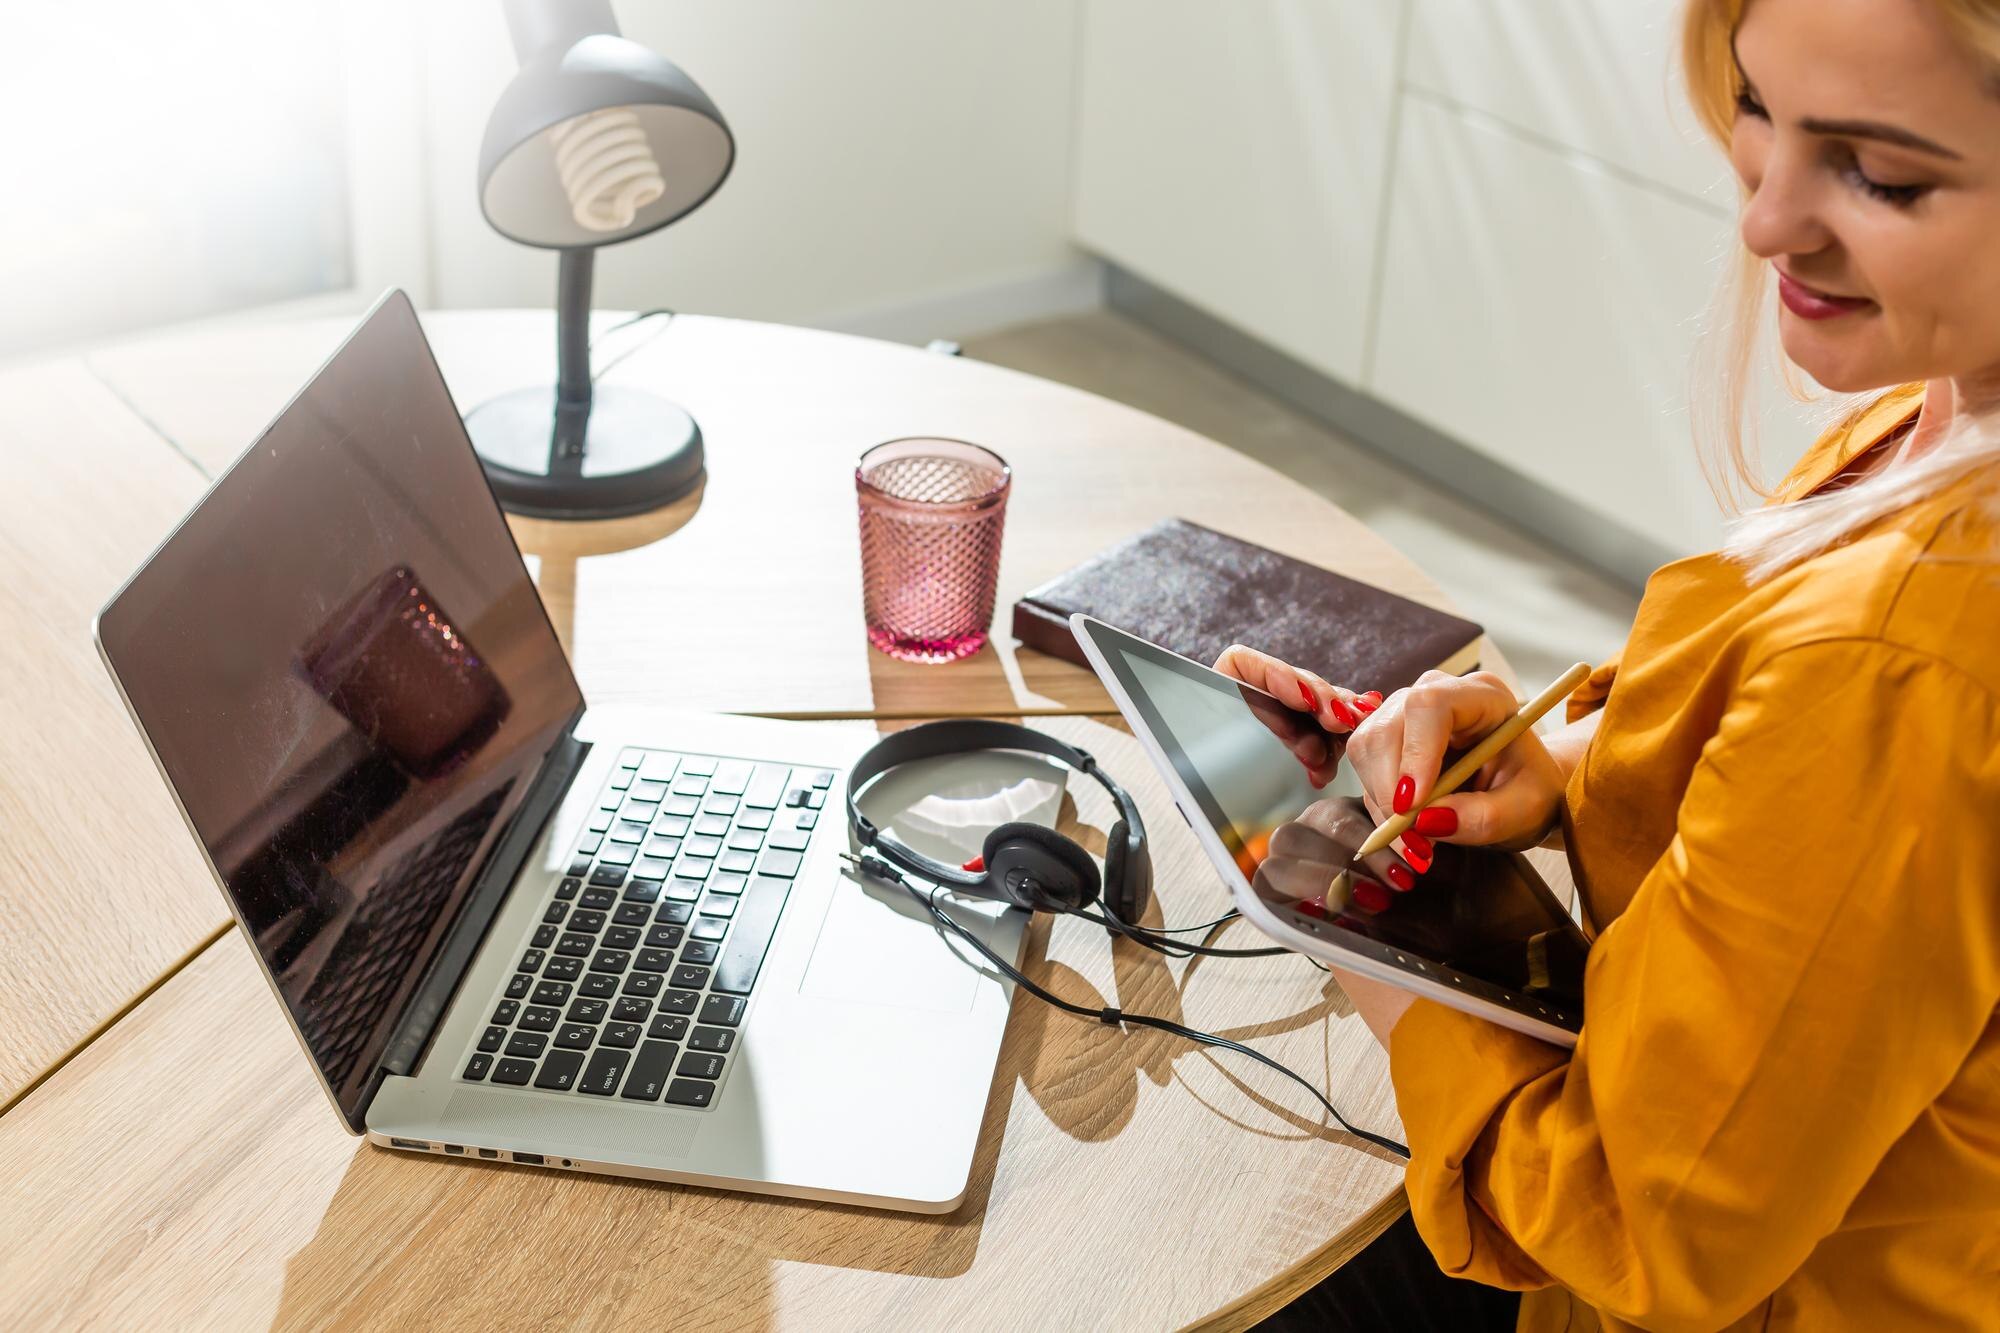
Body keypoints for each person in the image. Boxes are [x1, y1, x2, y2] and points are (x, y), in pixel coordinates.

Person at [1231, 0, 2000, 1327]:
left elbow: (1636, 1221)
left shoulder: (1901, 655)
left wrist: (1341, 933)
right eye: (1761, 109)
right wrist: (1564, 764)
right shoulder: (1937, 414)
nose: (1765, 220)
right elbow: (1829, 849)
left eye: (1879, 174)